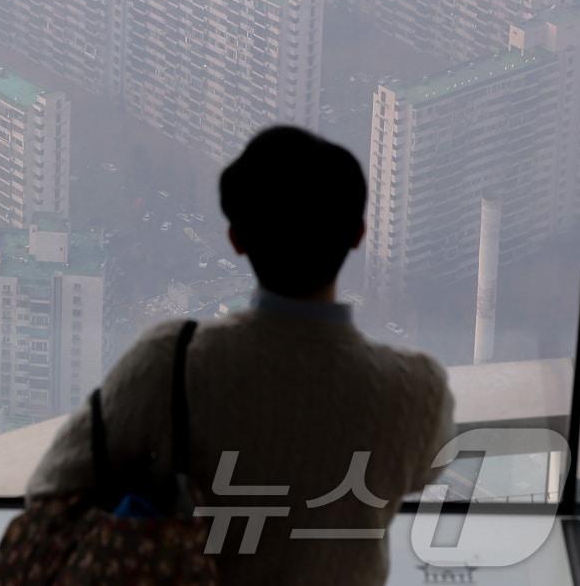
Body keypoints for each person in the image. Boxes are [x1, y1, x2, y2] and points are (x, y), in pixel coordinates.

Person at [26, 126, 455, 585]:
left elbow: (54, 485)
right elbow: (425, 470)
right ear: (358, 233)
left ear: (235, 239)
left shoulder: (173, 364)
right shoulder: (415, 392)